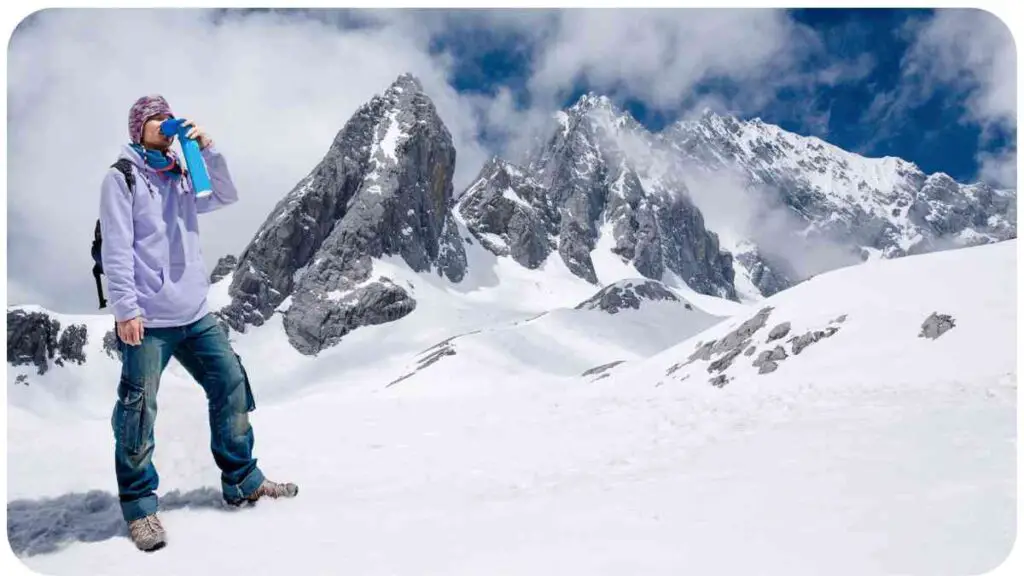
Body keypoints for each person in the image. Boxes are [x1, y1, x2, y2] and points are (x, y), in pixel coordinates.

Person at [99, 95, 297, 552]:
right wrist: (126, 309)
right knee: (138, 409)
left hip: (194, 312)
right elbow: (116, 244)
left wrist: (206, 149)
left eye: (166, 115)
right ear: (137, 128)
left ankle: (243, 480)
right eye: (153, 118)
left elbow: (225, 195)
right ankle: (139, 507)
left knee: (230, 383)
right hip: (149, 318)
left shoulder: (182, 171)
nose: (162, 122)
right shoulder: (122, 177)